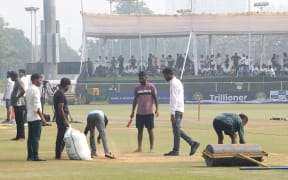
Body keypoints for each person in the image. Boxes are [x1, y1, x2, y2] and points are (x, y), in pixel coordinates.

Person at [162, 68, 199, 156]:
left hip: (177, 110)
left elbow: (174, 99)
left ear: (170, 74)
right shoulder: (176, 82)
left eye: (165, 75)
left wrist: (172, 113)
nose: (164, 77)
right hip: (179, 109)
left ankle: (176, 150)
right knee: (177, 130)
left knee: (176, 130)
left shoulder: (174, 83)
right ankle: (192, 143)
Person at [130, 71, 159, 152]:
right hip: (139, 113)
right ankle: (139, 148)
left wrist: (157, 109)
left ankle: (151, 148)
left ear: (146, 77)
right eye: (139, 78)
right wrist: (132, 112)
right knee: (140, 131)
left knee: (150, 130)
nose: (140, 79)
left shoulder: (151, 87)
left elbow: (155, 98)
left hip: (149, 113)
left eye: (142, 78)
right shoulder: (137, 88)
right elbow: (135, 100)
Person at [26, 73, 47, 161]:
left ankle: (30, 155)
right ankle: (35, 155)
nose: (41, 82)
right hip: (35, 117)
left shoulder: (29, 89)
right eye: (40, 80)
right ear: (34, 80)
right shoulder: (35, 90)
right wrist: (42, 118)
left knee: (30, 137)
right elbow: (37, 107)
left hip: (30, 116)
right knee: (35, 138)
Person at [53, 77, 71, 160]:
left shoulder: (57, 93)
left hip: (59, 117)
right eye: (68, 86)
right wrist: (65, 120)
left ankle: (59, 153)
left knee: (62, 136)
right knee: (61, 136)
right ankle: (58, 155)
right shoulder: (60, 95)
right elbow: (60, 109)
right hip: (61, 118)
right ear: (66, 85)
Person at [10, 71, 26, 141]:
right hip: (16, 104)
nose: (10, 78)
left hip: (19, 104)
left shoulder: (19, 82)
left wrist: (17, 97)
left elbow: (23, 91)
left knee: (20, 121)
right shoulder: (16, 82)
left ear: (14, 76)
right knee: (17, 120)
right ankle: (18, 136)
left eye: (11, 76)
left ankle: (22, 136)